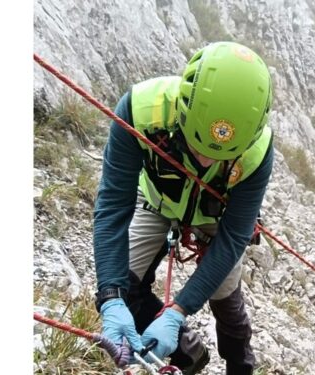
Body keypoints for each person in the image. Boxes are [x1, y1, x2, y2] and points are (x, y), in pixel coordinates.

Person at [92, 41, 274, 375]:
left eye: (220, 156)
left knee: (225, 298)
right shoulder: (140, 111)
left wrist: (178, 312)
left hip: (215, 218)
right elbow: (113, 205)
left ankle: (241, 367)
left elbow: (234, 237)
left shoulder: (257, 153)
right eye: (195, 143)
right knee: (121, 282)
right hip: (157, 199)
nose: (204, 160)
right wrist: (109, 296)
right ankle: (188, 355)